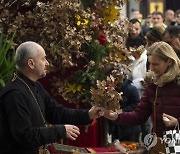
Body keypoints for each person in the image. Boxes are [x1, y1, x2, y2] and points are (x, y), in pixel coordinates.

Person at [0, 41, 102, 154]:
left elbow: (57, 112)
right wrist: (60, 131)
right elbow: (25, 135)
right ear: (31, 63)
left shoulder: (36, 86)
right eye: (43, 59)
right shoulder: (15, 94)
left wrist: (88, 114)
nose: (47, 63)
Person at [101, 41, 180, 152]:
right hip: (160, 144)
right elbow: (139, 115)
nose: (152, 68)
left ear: (169, 61)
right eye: (150, 64)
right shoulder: (153, 85)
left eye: (156, 64)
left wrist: (177, 122)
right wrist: (116, 116)